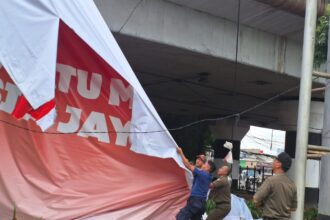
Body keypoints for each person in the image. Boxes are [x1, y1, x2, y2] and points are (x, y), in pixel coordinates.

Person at [253, 152, 297, 220]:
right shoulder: (292, 184)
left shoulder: (271, 181)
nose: (273, 162)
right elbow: (293, 208)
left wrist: (262, 205)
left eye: (275, 160)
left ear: (278, 164)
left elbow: (256, 199)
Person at [176, 147, 216, 220]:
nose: (197, 160)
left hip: (195, 200)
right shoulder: (209, 176)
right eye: (197, 159)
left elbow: (187, 165)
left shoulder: (202, 173)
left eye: (202, 161)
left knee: (181, 217)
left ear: (207, 167)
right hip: (201, 203)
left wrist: (181, 152)